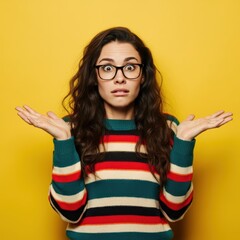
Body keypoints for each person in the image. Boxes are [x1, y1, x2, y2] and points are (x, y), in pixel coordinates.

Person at [15, 27, 233, 240]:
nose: (120, 78)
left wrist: (183, 143)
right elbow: (69, 211)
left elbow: (174, 211)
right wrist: (63, 142)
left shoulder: (168, 129)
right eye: (108, 68)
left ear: (143, 76)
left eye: (130, 67)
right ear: (94, 76)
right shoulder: (70, 130)